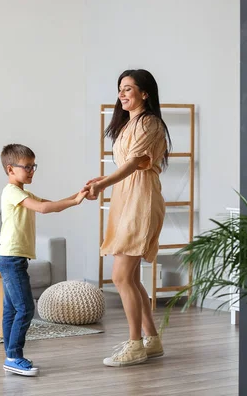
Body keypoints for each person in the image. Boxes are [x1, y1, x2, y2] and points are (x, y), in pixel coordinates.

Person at [85, 69, 172, 367]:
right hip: (127, 197)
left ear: (145, 93)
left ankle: (135, 344)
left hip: (141, 201)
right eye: (120, 89)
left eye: (128, 89)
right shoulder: (129, 124)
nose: (122, 94)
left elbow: (136, 163)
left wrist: (103, 184)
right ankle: (152, 339)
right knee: (130, 276)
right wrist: (106, 179)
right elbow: (127, 164)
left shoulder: (149, 123)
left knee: (120, 276)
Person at [0, 143, 88, 376]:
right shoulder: (12, 192)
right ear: (10, 169)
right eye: (27, 167)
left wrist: (80, 195)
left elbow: (51, 205)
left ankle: (11, 355)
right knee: (26, 308)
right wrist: (76, 200)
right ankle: (14, 356)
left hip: (13, 258)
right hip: (11, 259)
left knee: (12, 309)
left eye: (33, 166)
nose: (31, 171)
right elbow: (43, 209)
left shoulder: (23, 193)